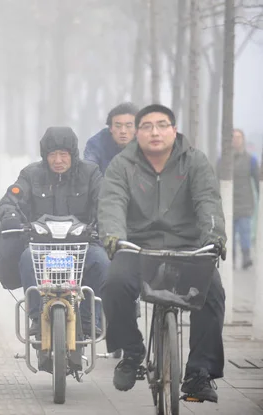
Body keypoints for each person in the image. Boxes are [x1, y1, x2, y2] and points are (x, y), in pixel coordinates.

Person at [99, 104, 226, 403]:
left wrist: (214, 238)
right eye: (147, 126)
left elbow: (208, 201)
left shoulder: (194, 162)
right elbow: (112, 203)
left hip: (187, 247)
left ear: (174, 129)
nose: (154, 132)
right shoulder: (122, 164)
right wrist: (114, 237)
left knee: (213, 292)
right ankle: (131, 353)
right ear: (137, 133)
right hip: (138, 247)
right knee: (113, 285)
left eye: (161, 125)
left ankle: (199, 373)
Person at [0, 126, 109, 337]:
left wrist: (102, 224)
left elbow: (105, 202)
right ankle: (37, 316)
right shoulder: (31, 174)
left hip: (84, 245)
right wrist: (10, 217)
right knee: (26, 259)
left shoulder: (91, 173)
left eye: (63, 154)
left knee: (102, 262)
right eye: (52, 154)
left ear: (73, 154)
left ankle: (88, 318)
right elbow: (11, 200)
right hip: (41, 247)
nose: (58, 160)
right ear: (44, 156)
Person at [230, 128, 259, 269]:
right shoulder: (223, 160)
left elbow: (258, 180)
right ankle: (231, 259)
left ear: (243, 140)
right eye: (234, 137)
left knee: (245, 232)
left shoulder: (251, 160)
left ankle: (246, 257)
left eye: (239, 137)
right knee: (230, 234)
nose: (236, 140)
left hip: (246, 203)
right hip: (229, 204)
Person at [84, 102, 139, 174]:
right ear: (110, 128)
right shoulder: (97, 144)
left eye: (128, 126)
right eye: (118, 126)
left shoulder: (146, 142)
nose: (123, 131)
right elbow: (89, 170)